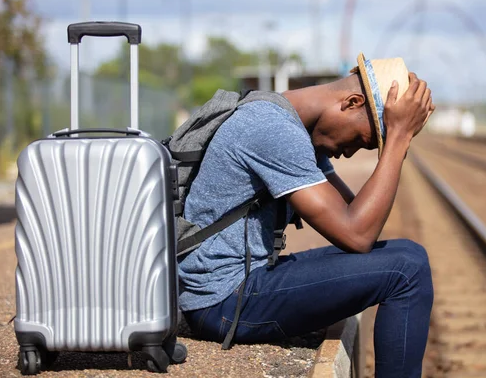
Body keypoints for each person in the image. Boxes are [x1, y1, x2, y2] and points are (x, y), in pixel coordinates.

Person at [178, 53, 435, 377]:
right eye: (363, 140)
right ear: (352, 102)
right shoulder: (273, 129)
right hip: (222, 302)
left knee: (409, 253)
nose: (352, 152)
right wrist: (396, 138)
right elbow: (358, 235)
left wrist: (400, 135)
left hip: (241, 285)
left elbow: (358, 215)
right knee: (407, 271)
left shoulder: (289, 122)